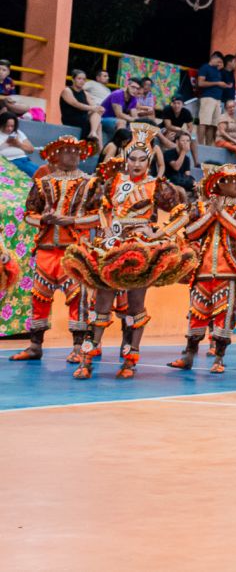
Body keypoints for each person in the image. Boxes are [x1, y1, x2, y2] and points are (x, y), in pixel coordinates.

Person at [64, 125, 195, 380]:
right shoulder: (115, 182)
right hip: (112, 247)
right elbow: (102, 208)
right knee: (101, 305)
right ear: (126, 159)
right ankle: (88, 359)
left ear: (149, 161)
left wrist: (158, 233)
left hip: (139, 251)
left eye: (141, 159)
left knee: (135, 307)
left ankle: (130, 361)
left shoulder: (157, 186)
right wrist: (106, 227)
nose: (136, 164)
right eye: (132, 158)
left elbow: (183, 213)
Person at [9, 136, 99, 362]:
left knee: (78, 298)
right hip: (46, 249)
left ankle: (78, 347)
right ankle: (35, 345)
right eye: (67, 150)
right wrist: (43, 219)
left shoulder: (90, 183)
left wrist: (72, 221)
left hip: (74, 251)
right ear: (55, 155)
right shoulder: (43, 183)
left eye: (76, 151)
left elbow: (100, 216)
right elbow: (28, 214)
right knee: (39, 298)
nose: (73, 154)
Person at [168, 165, 236, 374]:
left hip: (229, 272)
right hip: (202, 272)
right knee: (196, 314)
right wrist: (211, 214)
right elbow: (190, 233)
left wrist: (220, 213)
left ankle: (219, 358)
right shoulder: (200, 208)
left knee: (224, 315)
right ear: (219, 184)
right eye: (232, 180)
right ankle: (188, 355)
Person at [60, 70, 105, 143]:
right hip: (71, 119)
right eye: (79, 78)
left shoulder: (85, 93)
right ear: (73, 79)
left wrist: (99, 108)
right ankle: (97, 143)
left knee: (98, 120)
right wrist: (93, 108)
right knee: (96, 123)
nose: (82, 81)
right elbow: (76, 104)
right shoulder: (67, 91)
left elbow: (93, 105)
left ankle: (93, 134)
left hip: (83, 118)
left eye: (84, 79)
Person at [196, 52, 229, 145]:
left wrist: (222, 84)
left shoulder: (217, 71)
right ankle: (200, 144)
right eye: (218, 61)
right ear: (213, 58)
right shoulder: (205, 67)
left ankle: (208, 145)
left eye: (221, 62)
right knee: (204, 121)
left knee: (213, 124)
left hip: (218, 99)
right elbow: (200, 83)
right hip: (208, 98)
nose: (219, 64)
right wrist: (217, 83)